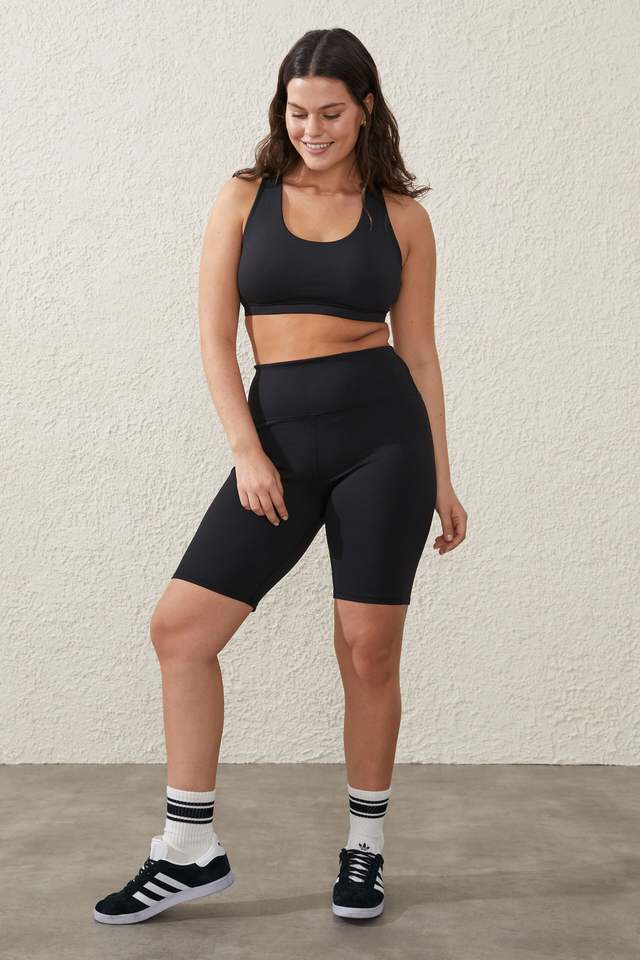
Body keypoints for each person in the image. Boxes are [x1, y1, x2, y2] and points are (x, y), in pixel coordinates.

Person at [93, 27, 467, 926]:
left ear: (365, 109)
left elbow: (418, 352)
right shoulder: (244, 197)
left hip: (386, 442)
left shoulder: (402, 217)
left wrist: (444, 480)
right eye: (298, 112)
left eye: (331, 113)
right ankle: (189, 848)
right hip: (279, 441)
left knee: (368, 650)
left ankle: (365, 848)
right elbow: (214, 337)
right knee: (181, 629)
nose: (312, 129)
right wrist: (245, 449)